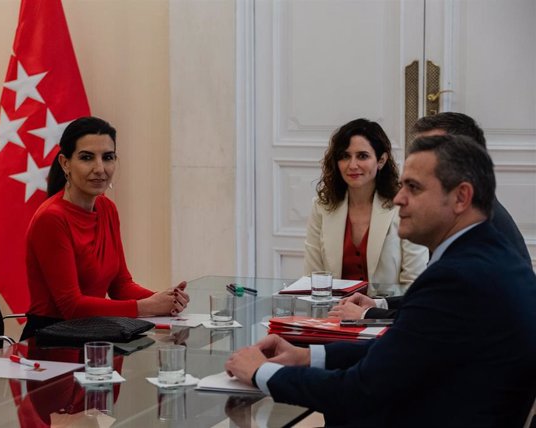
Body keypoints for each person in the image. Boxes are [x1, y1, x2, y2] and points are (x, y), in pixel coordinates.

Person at [226, 135, 536, 427]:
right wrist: (308, 356)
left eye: (413, 188)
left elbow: (360, 391)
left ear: (461, 197)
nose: (399, 199)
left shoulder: (457, 278)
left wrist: (262, 372)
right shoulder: (492, 253)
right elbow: (403, 348)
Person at [331, 112, 532, 320]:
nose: (399, 199)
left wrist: (366, 314)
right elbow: (434, 298)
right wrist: (379, 303)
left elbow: (429, 319)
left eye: (430, 149)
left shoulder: (479, 241)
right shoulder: (471, 223)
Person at [21, 116, 189, 340]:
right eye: (87, 158)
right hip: (53, 342)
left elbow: (120, 285)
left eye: (108, 157)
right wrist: (146, 306)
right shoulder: (51, 218)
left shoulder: (107, 207)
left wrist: (166, 300)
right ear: (65, 163)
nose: (100, 168)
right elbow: (72, 307)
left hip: (96, 335)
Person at [304, 118, 427, 286]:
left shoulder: (404, 206)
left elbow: (414, 282)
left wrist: (376, 310)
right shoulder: (321, 206)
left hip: (386, 310)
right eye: (345, 156)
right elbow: (313, 279)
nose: (352, 165)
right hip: (334, 310)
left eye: (362, 156)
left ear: (381, 160)